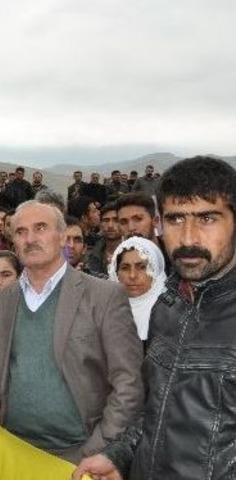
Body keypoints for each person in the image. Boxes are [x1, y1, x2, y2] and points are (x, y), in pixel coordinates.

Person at [75, 157, 236, 480]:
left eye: (207, 218)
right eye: (176, 219)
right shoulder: (169, 305)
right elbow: (157, 410)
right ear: (160, 224)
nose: (189, 238)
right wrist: (119, 456)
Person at [0, 200, 143, 463]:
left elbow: (128, 382)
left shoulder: (104, 296)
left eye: (40, 228)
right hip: (13, 449)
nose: (30, 239)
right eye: (20, 232)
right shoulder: (0, 302)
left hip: (81, 454)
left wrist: (100, 446)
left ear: (63, 236)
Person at [106, 237, 167, 345]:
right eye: (125, 268)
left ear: (156, 269)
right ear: (116, 273)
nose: (132, 275)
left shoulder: (171, 313)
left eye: (142, 267)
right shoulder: (104, 311)